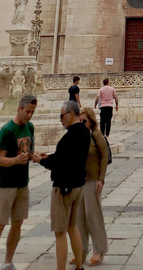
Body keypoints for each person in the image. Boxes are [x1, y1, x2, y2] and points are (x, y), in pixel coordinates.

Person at [34, 101, 92, 270]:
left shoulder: (70, 136)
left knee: (60, 232)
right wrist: (48, 157)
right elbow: (67, 157)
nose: (60, 120)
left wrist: (41, 160)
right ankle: (79, 267)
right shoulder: (83, 132)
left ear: (71, 114)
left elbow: (60, 162)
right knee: (72, 227)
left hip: (64, 188)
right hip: (78, 185)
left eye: (62, 116)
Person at [0, 94, 38, 270]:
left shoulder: (30, 127)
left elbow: (28, 152)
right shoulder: (7, 130)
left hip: (22, 183)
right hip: (5, 184)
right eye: (27, 111)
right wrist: (15, 160)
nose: (29, 115)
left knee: (18, 222)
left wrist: (35, 157)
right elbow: (0, 159)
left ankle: (8, 262)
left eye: (32, 112)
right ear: (19, 108)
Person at [77, 108, 109, 266]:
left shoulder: (96, 135)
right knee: (79, 217)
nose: (82, 123)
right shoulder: (79, 136)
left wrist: (101, 179)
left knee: (93, 215)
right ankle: (81, 250)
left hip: (93, 180)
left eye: (85, 121)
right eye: (80, 120)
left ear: (91, 120)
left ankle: (99, 250)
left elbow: (104, 156)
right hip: (79, 181)